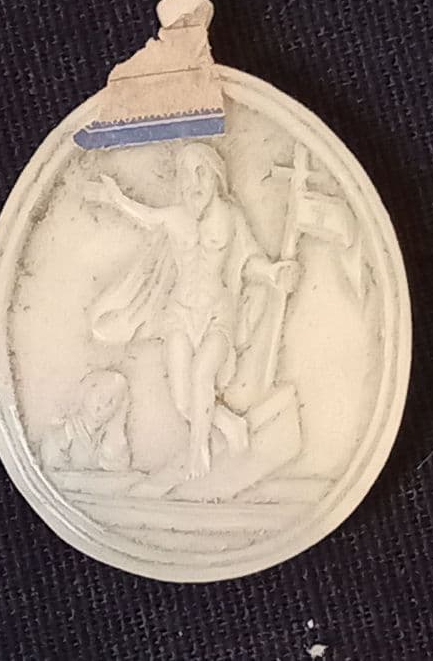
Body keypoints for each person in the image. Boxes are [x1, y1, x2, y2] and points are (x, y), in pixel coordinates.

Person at [89, 143, 299, 478]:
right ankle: (230, 425)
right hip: (179, 313)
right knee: (183, 400)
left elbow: (248, 260)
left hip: (218, 312)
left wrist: (273, 273)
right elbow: (144, 215)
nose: (193, 183)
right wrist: (116, 197)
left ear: (216, 175)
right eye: (186, 176)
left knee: (203, 373)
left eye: (200, 173)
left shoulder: (231, 217)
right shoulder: (175, 217)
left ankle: (198, 455)